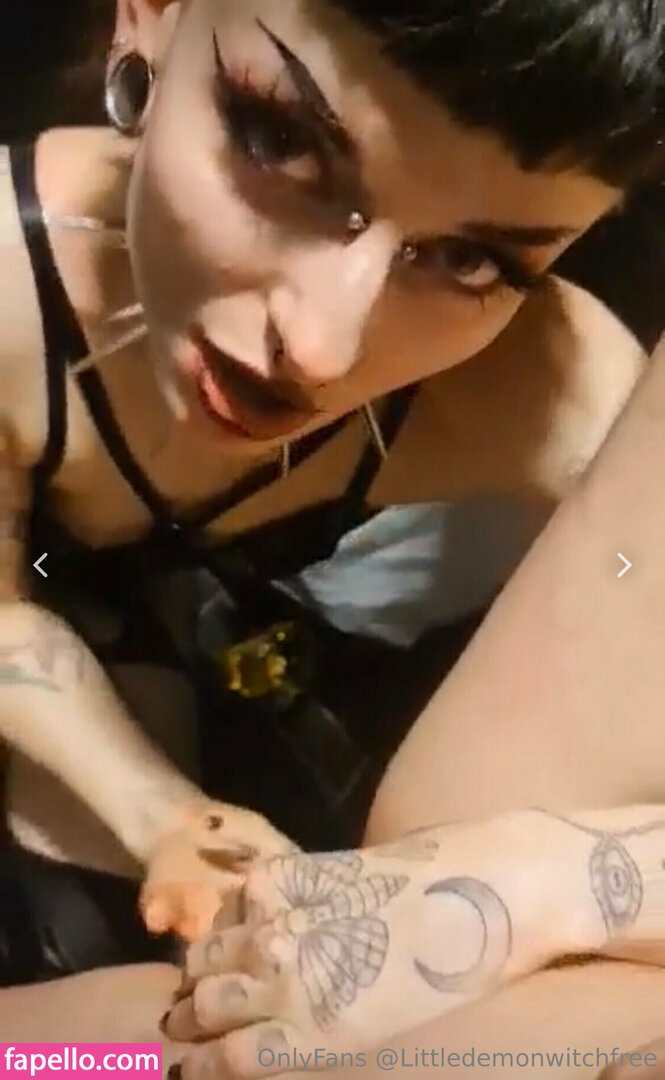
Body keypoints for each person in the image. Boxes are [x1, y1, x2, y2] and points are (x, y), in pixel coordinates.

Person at [0, 0, 663, 1038]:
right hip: (35, 595)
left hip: (185, 621)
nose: (319, 347)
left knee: (146, 995)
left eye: (469, 260)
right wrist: (163, 815)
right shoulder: (9, 280)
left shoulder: (541, 397)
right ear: (154, 16)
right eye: (278, 140)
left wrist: (548, 881)